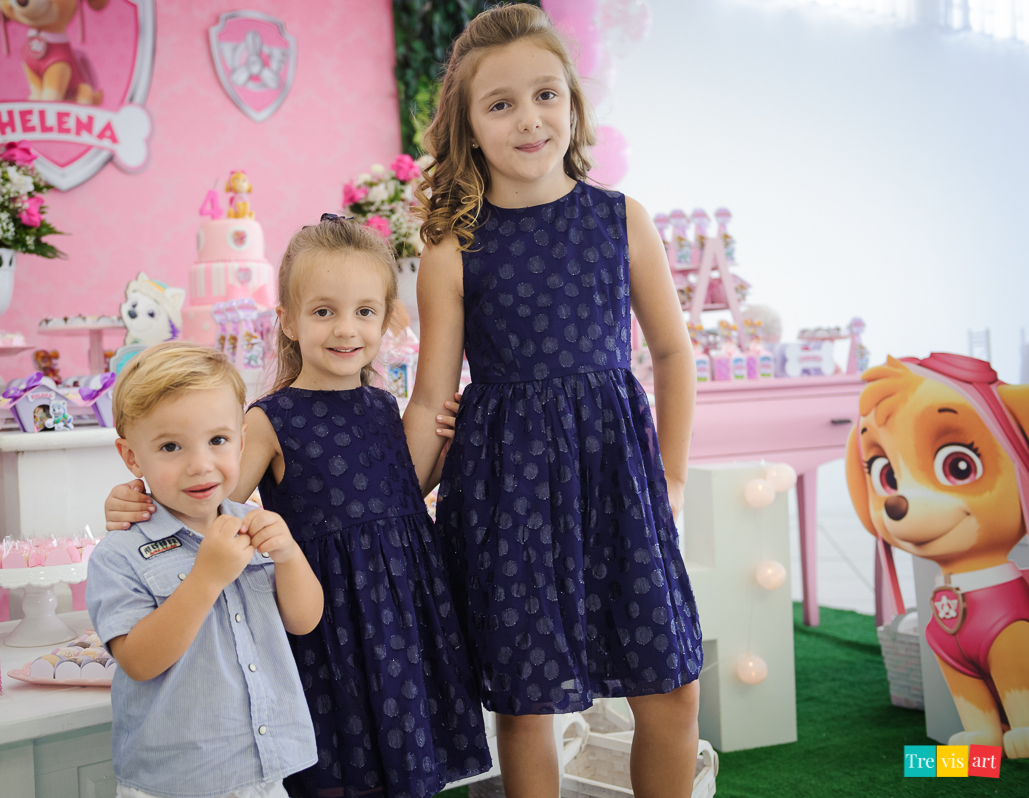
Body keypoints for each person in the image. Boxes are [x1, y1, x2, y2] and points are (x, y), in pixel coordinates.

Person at [401, 5, 704, 798]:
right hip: (508, 493)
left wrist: (671, 479)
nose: (529, 120)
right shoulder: (451, 245)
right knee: (527, 704)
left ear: (572, 103)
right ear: (468, 127)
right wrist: (390, 504)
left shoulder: (620, 220)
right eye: (500, 105)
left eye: (545, 95)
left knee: (671, 687)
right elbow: (433, 392)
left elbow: (672, 352)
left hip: (619, 482)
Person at [104, 217, 491, 798]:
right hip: (328, 617)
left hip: (407, 607)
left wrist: (448, 451)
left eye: (365, 312)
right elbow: (207, 499)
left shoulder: (385, 405)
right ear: (286, 319)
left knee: (410, 756)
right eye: (323, 311)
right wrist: (130, 500)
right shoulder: (269, 418)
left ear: (387, 319)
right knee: (345, 764)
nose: (346, 329)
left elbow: (398, 498)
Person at [87, 341, 324, 798]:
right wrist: (206, 578)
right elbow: (138, 661)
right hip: (179, 780)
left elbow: (304, 619)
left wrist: (290, 555)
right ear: (133, 457)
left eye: (217, 440)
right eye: (171, 446)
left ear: (240, 438)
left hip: (264, 768)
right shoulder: (120, 554)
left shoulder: (253, 524)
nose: (200, 465)